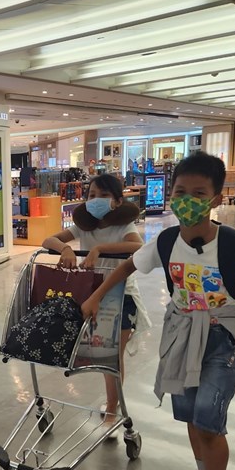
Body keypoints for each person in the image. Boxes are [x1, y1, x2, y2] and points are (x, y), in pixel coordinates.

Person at [81, 153, 235, 470]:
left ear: (215, 199)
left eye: (198, 192)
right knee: (191, 414)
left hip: (224, 340)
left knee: (208, 418)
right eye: (180, 191)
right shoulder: (167, 240)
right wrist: (97, 296)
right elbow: (127, 267)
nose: (186, 199)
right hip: (181, 336)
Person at [42, 174, 151, 430]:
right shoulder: (84, 227)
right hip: (91, 296)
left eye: (103, 196)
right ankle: (112, 405)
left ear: (117, 201)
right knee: (98, 353)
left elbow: (137, 246)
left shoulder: (124, 227)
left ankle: (112, 409)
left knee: (112, 357)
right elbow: (50, 240)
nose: (96, 200)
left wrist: (99, 249)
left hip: (121, 297)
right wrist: (66, 249)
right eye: (91, 195)